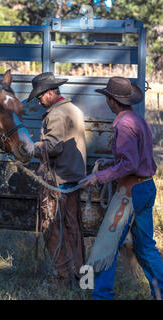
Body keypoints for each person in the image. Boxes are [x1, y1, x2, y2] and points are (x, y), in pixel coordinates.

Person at [79, 76, 163, 300]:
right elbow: (137, 158)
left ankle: (102, 296)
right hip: (145, 187)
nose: (107, 102)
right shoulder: (138, 120)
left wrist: (99, 177)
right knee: (145, 247)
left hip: (130, 192)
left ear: (112, 101)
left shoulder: (123, 124)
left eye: (108, 97)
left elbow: (129, 164)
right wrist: (111, 164)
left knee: (107, 245)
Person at [29, 72, 87, 286]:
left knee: (52, 228)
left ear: (51, 93)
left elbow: (53, 146)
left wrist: (29, 148)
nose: (38, 99)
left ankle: (63, 277)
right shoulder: (73, 110)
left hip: (59, 181)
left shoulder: (56, 114)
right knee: (73, 229)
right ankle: (81, 278)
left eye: (40, 95)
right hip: (72, 177)